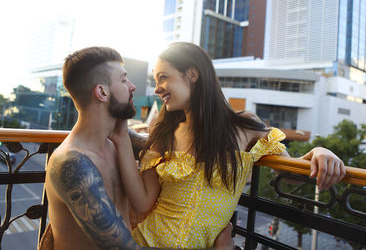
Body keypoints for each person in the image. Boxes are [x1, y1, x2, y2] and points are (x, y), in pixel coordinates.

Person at [113, 42, 347, 249]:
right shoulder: (164, 133)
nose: (157, 88)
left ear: (192, 74)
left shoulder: (245, 127)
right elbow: (143, 201)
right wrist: (121, 137)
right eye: (156, 80)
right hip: (147, 243)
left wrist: (320, 151)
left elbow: (289, 172)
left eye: (163, 77)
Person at [42, 46, 233, 250]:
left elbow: (174, 150)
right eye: (124, 80)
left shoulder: (115, 141)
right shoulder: (72, 163)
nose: (132, 86)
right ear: (102, 92)